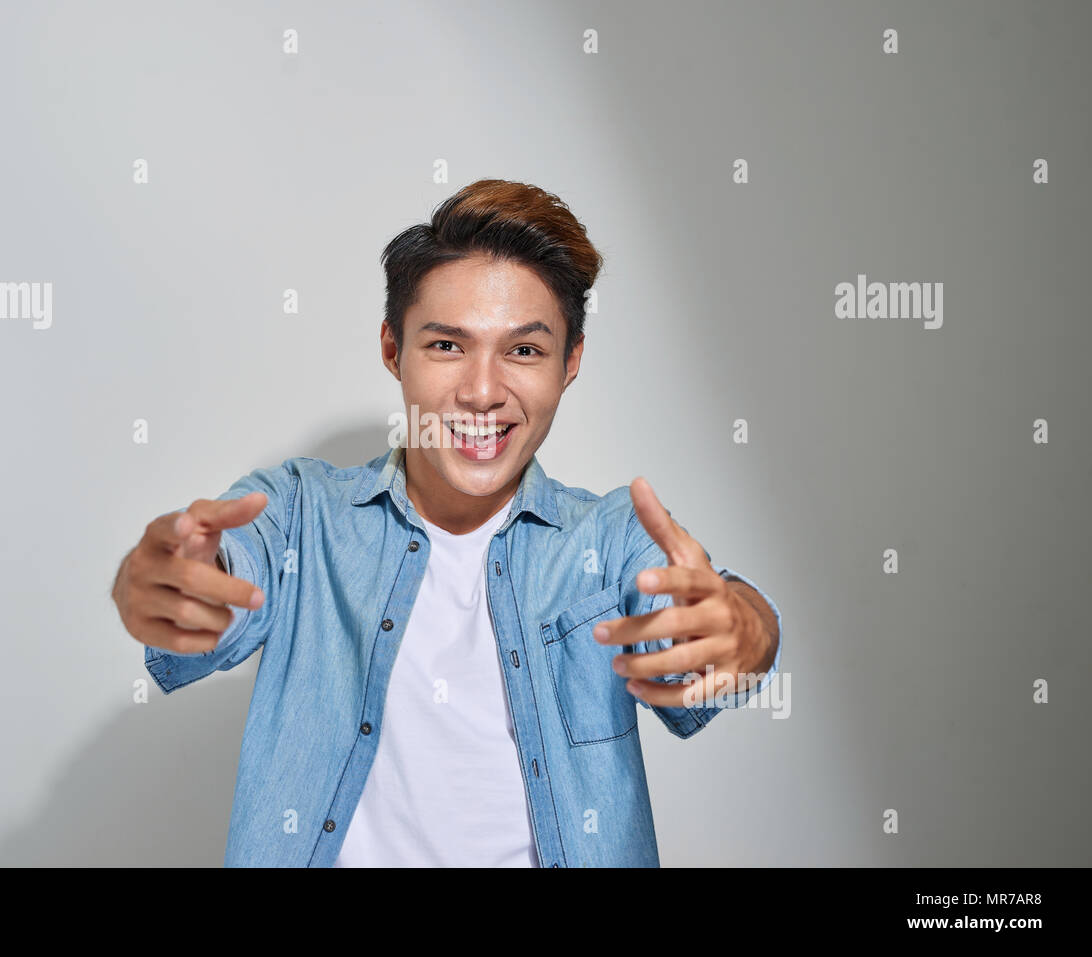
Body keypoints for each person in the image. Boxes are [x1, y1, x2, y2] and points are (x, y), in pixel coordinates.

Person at [110, 179, 783, 867]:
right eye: (446, 346)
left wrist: (746, 628)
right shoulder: (301, 515)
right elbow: (218, 571)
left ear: (570, 362)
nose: (483, 391)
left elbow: (721, 617)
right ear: (392, 349)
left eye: (524, 350)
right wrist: (168, 581)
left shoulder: (607, 538)